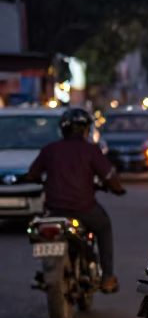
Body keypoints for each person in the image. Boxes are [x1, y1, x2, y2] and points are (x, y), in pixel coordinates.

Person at [26, 106, 125, 293]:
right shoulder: (91, 151)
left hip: (54, 210)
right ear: (86, 130)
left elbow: (32, 174)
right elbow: (110, 177)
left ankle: (46, 271)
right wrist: (117, 189)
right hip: (84, 208)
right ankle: (108, 277)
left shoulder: (50, 150)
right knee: (104, 227)